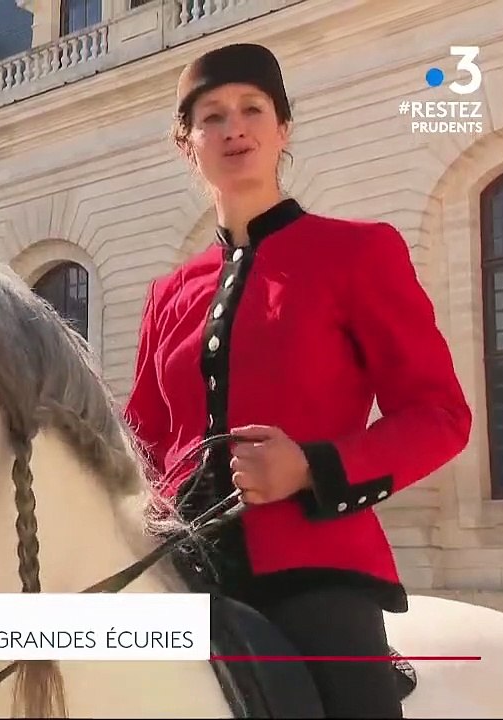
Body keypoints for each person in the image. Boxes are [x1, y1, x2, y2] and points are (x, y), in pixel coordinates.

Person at [122, 43, 471, 718]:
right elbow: (140, 440)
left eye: (253, 109)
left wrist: (311, 467)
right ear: (185, 143)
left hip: (315, 571)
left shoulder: (358, 253)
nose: (234, 127)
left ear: (283, 130)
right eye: (211, 116)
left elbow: (439, 414)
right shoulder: (168, 293)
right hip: (178, 577)